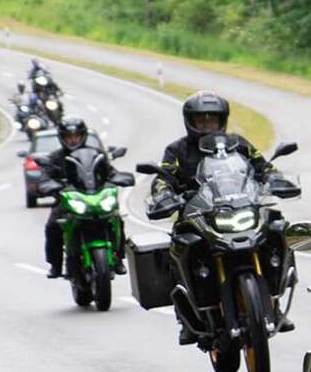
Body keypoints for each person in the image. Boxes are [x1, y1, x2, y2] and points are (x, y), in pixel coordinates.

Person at [148, 92, 273, 342]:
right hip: (197, 215)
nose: (207, 126)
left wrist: (275, 179)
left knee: (275, 229)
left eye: (212, 121)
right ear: (189, 121)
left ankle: (272, 302)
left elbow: (264, 167)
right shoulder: (176, 150)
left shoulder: (239, 144)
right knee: (180, 247)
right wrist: (164, 195)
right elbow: (163, 178)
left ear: (222, 121)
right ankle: (186, 318)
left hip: (238, 208)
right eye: (201, 121)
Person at [37, 117, 127, 278]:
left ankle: (119, 258)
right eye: (68, 137)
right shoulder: (56, 157)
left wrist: (120, 178)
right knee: (52, 226)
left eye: (76, 136)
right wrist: (48, 185)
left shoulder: (97, 154)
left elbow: (110, 172)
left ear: (83, 136)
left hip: (95, 197)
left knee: (117, 219)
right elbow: (45, 177)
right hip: (68, 201)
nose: (73, 140)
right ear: (62, 138)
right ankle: (55, 264)